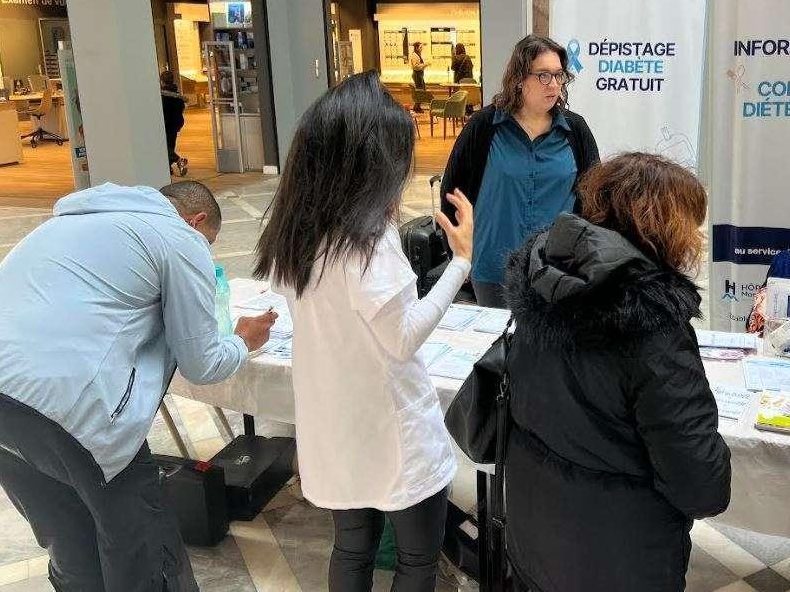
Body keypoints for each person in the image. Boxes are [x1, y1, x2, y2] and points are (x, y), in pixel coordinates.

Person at [253, 71, 474, 592]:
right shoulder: (369, 243)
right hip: (389, 430)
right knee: (416, 561)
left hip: (335, 426)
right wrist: (461, 262)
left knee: (352, 549)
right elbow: (403, 338)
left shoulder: (296, 234)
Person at [0, 180, 277, 591]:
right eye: (209, 243)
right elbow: (202, 363)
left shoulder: (67, 223)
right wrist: (242, 342)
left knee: (69, 538)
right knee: (141, 546)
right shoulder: (180, 238)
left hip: (6, 405)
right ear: (196, 221)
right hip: (73, 409)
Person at [502, 153, 732, 592]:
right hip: (621, 559)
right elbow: (700, 485)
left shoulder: (543, 287)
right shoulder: (654, 330)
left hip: (534, 537)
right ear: (668, 227)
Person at [441, 35, 600, 307]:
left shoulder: (576, 131)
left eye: (559, 75)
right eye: (544, 76)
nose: (554, 84)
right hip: (493, 268)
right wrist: (459, 256)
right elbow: (453, 193)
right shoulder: (484, 127)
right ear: (519, 79)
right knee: (499, 335)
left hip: (558, 271)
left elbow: (595, 200)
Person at [160, 70, 188, 176]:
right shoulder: (177, 95)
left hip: (165, 124)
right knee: (171, 145)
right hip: (176, 123)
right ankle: (168, 168)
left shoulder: (161, 95)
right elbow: (181, 108)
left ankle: (178, 160)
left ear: (162, 81)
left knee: (164, 146)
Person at [410, 41, 427, 112]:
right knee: (420, 91)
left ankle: (417, 106)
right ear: (416, 48)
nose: (421, 48)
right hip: (417, 75)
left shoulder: (418, 55)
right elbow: (415, 66)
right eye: (420, 47)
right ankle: (417, 107)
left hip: (419, 74)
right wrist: (424, 65)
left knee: (421, 90)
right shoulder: (414, 56)